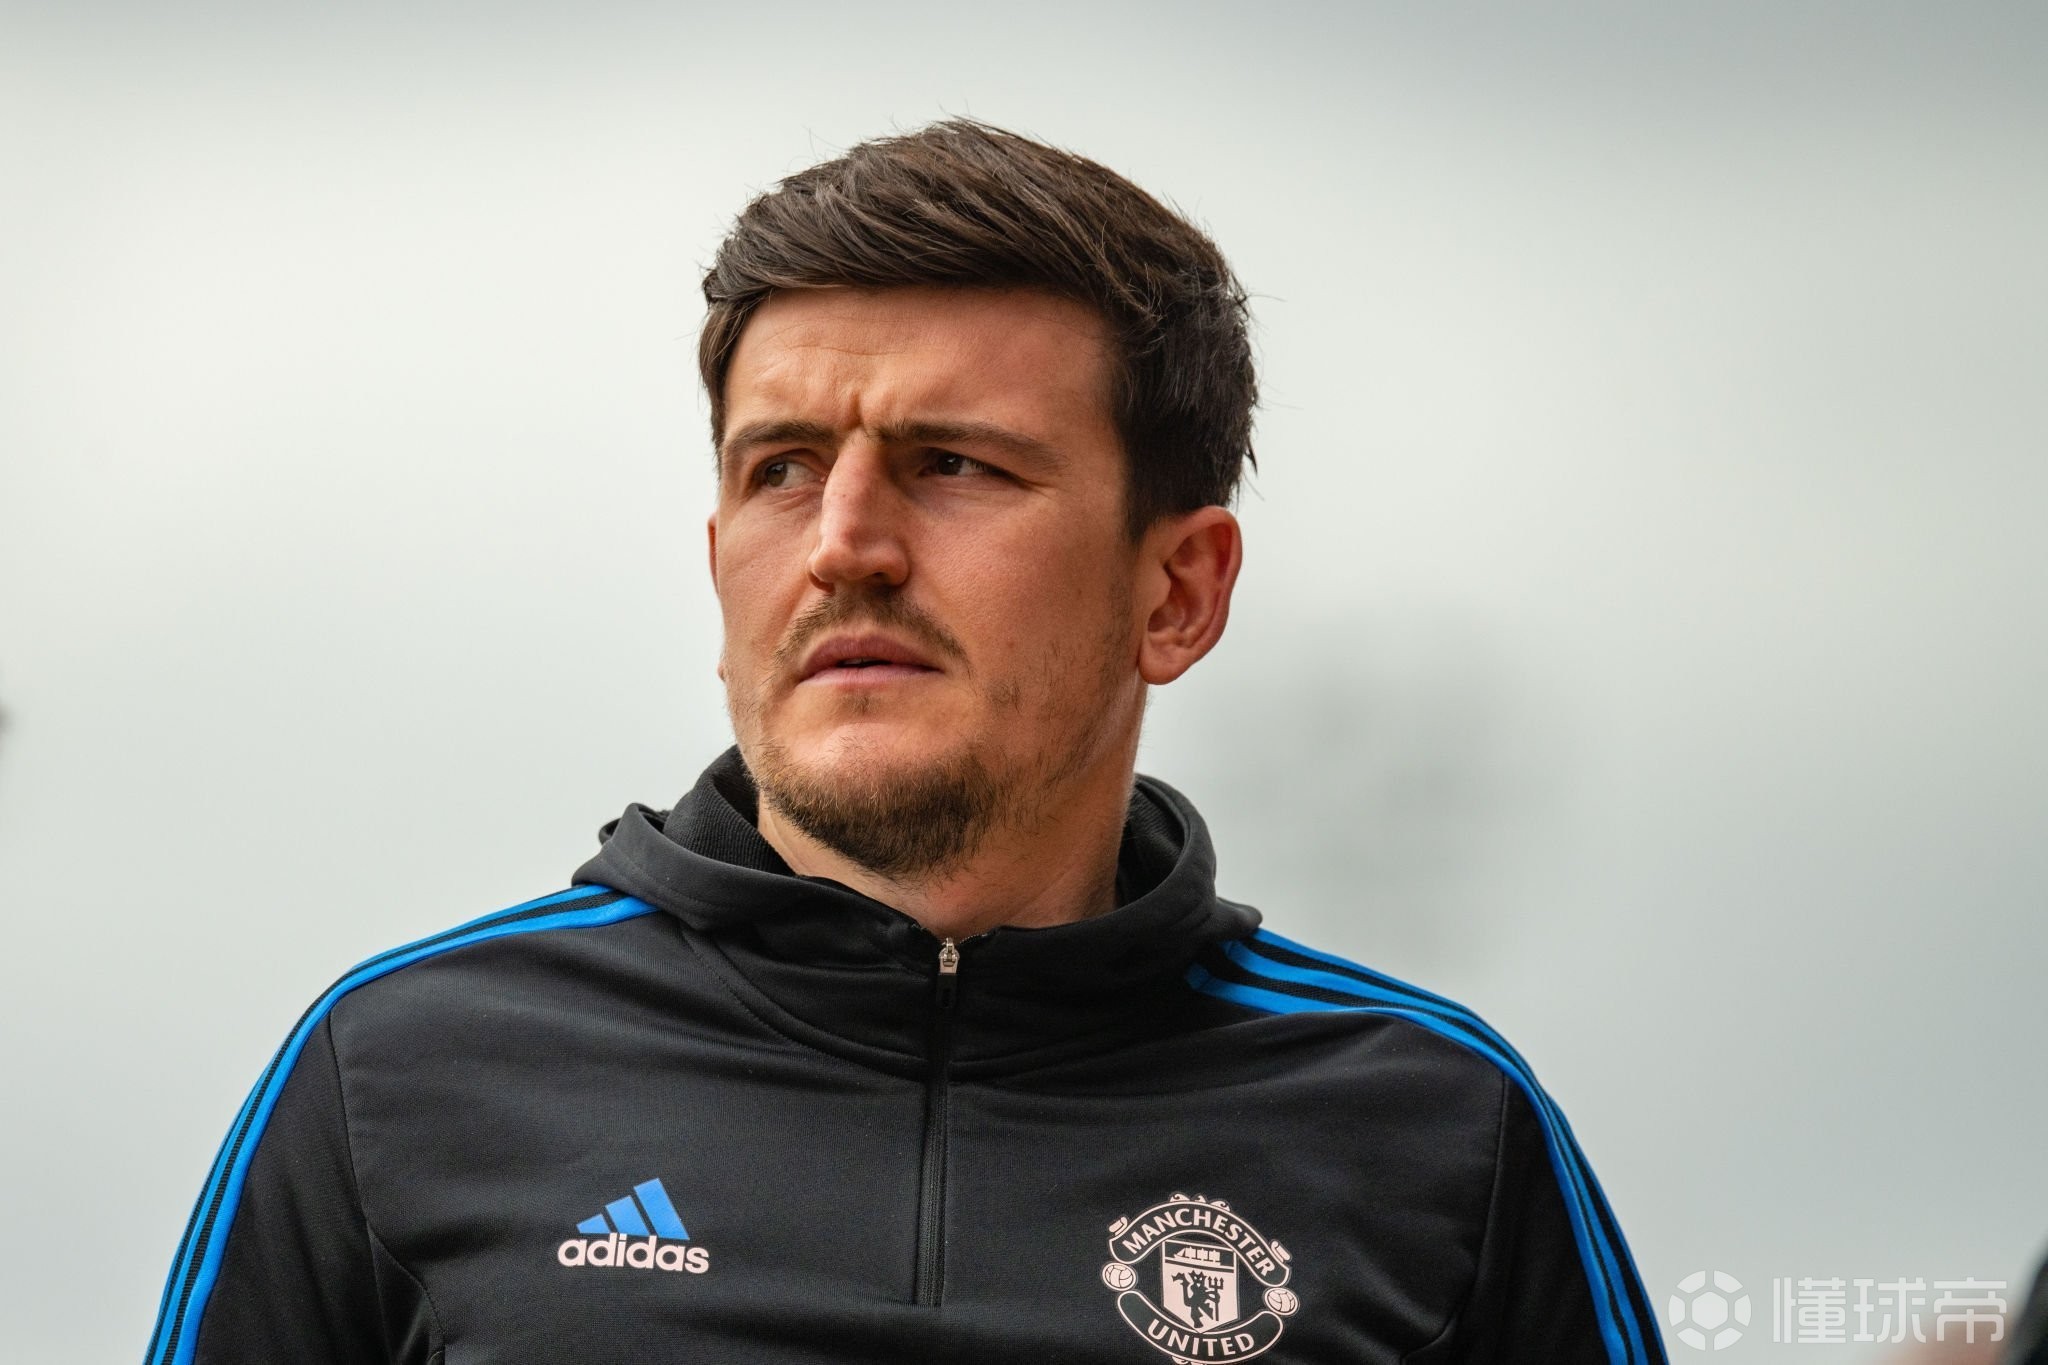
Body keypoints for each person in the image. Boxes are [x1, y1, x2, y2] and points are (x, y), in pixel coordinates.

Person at [145, 120, 1666, 1365]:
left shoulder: (1439, 1127)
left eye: (953, 464)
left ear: (1178, 591)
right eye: (783, 468)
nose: (844, 546)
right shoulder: (395, 1073)